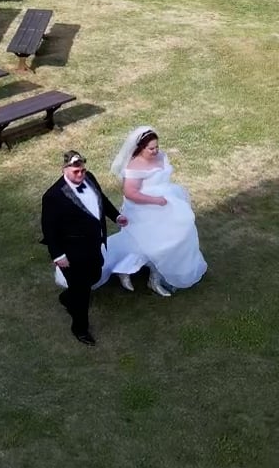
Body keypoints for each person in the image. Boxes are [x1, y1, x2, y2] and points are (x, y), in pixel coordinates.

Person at [102, 126, 207, 296]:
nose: (155, 151)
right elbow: (130, 192)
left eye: (156, 146)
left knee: (177, 237)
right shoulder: (135, 166)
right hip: (145, 207)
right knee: (149, 243)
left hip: (168, 202)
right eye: (151, 148)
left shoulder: (161, 155)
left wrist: (166, 198)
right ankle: (126, 269)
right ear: (140, 148)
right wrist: (156, 200)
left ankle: (155, 276)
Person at [39, 150, 125, 347]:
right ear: (64, 170)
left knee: (94, 275)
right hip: (72, 252)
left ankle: (67, 297)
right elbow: (49, 229)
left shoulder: (90, 178)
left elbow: (101, 200)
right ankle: (80, 328)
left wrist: (116, 217)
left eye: (83, 171)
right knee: (82, 292)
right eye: (76, 171)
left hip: (93, 245)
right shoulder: (53, 196)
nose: (81, 175)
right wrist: (58, 255)